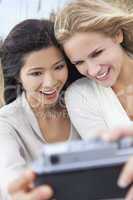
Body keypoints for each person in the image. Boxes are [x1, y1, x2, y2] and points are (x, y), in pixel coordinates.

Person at [54, 0, 133, 199]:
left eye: (97, 53)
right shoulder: (81, 96)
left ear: (117, 34)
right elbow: (111, 163)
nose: (93, 70)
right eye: (79, 62)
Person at [0, 18, 82, 199]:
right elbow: (7, 172)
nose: (51, 82)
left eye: (59, 67)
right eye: (36, 73)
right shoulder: (6, 122)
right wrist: (18, 191)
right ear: (18, 76)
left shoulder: (82, 102)